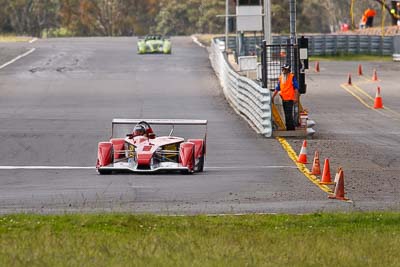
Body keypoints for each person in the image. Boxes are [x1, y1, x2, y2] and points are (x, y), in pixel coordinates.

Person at [272, 64, 299, 131]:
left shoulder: (292, 77)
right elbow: (277, 88)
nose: (284, 70)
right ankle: (289, 128)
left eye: (285, 69)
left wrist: (295, 97)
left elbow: (296, 88)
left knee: (288, 114)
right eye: (283, 69)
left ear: (288, 70)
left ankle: (290, 128)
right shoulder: (281, 78)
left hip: (290, 99)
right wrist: (273, 96)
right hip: (283, 99)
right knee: (286, 114)